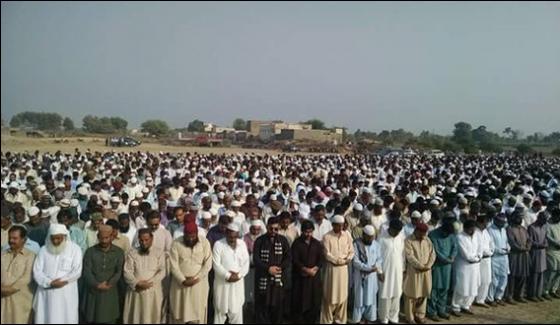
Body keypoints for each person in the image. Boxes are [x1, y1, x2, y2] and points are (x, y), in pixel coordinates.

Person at [33, 223, 83, 324]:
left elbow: (77, 271)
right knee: (46, 318)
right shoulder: (43, 250)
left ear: (65, 236)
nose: (55, 241)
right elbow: (37, 271)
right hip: (46, 293)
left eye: (58, 238)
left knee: (66, 318)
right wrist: (49, 282)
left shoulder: (75, 249)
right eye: (53, 238)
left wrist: (62, 281)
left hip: (66, 292)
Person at [169, 221, 213, 324]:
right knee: (179, 313)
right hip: (180, 286)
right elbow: (173, 265)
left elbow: (207, 264)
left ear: (197, 234)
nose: (190, 239)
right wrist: (183, 280)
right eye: (188, 236)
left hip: (199, 285)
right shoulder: (176, 243)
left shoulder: (204, 242)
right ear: (184, 234)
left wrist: (196, 278)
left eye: (193, 236)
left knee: (197, 313)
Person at [81, 224, 125, 324]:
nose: (104, 241)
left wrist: (109, 283)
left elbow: (119, 271)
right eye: (102, 238)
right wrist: (97, 284)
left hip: (110, 291)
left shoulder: (118, 252)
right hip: (93, 291)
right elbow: (86, 271)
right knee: (92, 317)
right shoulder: (90, 252)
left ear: (112, 237)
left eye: (107, 238)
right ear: (98, 237)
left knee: (109, 318)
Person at [123, 228, 166, 324]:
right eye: (141, 240)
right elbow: (127, 271)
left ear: (152, 239)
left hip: (153, 292)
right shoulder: (132, 253)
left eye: (146, 240)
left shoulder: (159, 253)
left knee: (152, 318)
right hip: (136, 292)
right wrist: (137, 283)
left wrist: (149, 284)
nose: (144, 243)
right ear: (138, 239)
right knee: (136, 317)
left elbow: (162, 271)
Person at [253, 216, 291, 324]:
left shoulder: (283, 240)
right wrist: (268, 269)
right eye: (271, 229)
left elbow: (288, 257)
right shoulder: (259, 241)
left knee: (277, 307)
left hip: (278, 278)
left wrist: (280, 268)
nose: (273, 231)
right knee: (262, 306)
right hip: (263, 277)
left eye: (276, 229)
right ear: (267, 227)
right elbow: (256, 259)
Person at [212, 222, 250, 324]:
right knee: (220, 311)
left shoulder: (242, 244)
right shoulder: (218, 244)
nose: (232, 239)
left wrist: (238, 275)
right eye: (230, 237)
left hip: (237, 283)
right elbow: (216, 265)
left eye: (234, 237)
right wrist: (228, 275)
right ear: (226, 234)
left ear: (238, 235)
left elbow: (246, 263)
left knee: (236, 310)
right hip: (222, 283)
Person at [320, 215, 354, 324]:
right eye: (338, 225)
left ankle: (340, 320)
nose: (340, 227)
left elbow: (351, 251)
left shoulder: (347, 235)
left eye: (342, 225)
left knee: (343, 296)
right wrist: (339, 261)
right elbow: (327, 254)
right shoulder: (327, 237)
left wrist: (347, 259)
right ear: (333, 225)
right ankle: (327, 320)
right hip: (332, 270)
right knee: (330, 295)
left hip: (343, 270)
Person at [1, 225, 35, 324]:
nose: (11, 240)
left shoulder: (31, 256)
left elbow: (26, 278)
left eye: (15, 238)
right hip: (3, 300)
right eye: (9, 238)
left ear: (24, 239)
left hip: (21, 302)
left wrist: (7, 289)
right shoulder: (3, 255)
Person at [291, 219, 324, 323]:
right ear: (302, 231)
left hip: (314, 277)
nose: (308, 234)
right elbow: (295, 259)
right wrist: (305, 269)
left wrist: (315, 268)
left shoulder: (316, 243)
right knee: (300, 300)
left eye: (310, 231)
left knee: (313, 301)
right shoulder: (297, 243)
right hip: (300, 277)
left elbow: (321, 258)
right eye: (306, 232)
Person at [403, 223, 435, 324]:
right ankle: (410, 317)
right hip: (414, 272)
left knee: (423, 293)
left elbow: (433, 254)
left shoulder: (427, 240)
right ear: (416, 231)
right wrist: (421, 266)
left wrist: (428, 266)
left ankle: (420, 315)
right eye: (421, 233)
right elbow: (410, 256)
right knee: (411, 294)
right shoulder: (408, 240)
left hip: (426, 271)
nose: (423, 235)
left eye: (424, 233)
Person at [427, 216, 457, 321]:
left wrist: (452, 257)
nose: (447, 235)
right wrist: (446, 259)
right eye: (445, 234)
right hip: (437, 265)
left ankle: (441, 310)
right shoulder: (433, 235)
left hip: (447, 267)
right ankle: (431, 311)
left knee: (445, 288)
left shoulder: (452, 235)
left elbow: (455, 247)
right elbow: (435, 251)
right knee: (434, 289)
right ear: (442, 229)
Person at [351, 225, 383, 324]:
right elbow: (355, 262)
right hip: (360, 276)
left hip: (372, 276)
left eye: (372, 237)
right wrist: (368, 268)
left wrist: (376, 267)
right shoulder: (356, 244)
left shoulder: (376, 244)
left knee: (371, 297)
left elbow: (380, 259)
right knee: (359, 299)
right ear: (363, 235)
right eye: (368, 237)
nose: (370, 239)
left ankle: (369, 319)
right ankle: (357, 320)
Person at [378, 218, 406, 324]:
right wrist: (380, 271)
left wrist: (403, 270)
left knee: (397, 293)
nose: (397, 233)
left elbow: (402, 256)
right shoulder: (381, 238)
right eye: (395, 231)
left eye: (399, 231)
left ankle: (394, 317)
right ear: (390, 228)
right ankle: (383, 318)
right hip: (385, 271)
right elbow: (377, 256)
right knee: (385, 295)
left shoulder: (400, 237)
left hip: (398, 271)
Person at [451, 219, 481, 316]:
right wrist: (476, 258)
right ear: (465, 228)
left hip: (475, 266)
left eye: (473, 229)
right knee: (462, 286)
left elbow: (480, 248)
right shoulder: (460, 237)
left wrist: (479, 256)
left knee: (473, 286)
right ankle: (455, 307)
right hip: (464, 266)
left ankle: (466, 305)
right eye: (470, 229)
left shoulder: (476, 236)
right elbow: (466, 255)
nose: (472, 231)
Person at [506, 211, 531, 304]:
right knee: (513, 276)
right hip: (514, 255)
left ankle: (519, 295)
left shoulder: (523, 229)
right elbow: (512, 242)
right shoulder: (509, 229)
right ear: (513, 218)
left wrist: (528, 246)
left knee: (523, 275)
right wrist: (523, 248)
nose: (520, 219)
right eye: (518, 217)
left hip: (524, 255)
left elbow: (529, 239)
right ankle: (510, 296)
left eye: (521, 217)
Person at [487, 213, 511, 306]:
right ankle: (490, 298)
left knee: (504, 278)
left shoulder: (504, 230)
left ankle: (498, 297)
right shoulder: (490, 230)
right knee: (494, 279)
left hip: (505, 257)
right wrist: (501, 251)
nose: (503, 224)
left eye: (504, 222)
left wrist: (508, 247)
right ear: (496, 220)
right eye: (501, 222)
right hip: (495, 257)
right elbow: (491, 246)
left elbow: (506, 242)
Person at [527, 211, 549, 301]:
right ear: (539, 218)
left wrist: (545, 243)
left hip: (543, 252)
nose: (545, 221)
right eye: (544, 219)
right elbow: (530, 241)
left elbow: (546, 238)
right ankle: (532, 295)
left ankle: (538, 294)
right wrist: (539, 245)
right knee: (535, 274)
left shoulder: (544, 227)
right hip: (535, 252)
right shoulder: (531, 227)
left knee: (541, 274)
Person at [474, 214, 495, 308]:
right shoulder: (475, 232)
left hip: (488, 258)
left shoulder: (486, 232)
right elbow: (477, 246)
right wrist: (484, 252)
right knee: (478, 280)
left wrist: (491, 251)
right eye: (484, 222)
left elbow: (491, 243)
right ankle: (475, 299)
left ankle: (481, 299)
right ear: (479, 222)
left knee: (487, 280)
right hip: (479, 259)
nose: (486, 224)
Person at [544, 208, 560, 299]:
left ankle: (553, 290)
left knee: (559, 271)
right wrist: (557, 244)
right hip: (551, 250)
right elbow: (548, 236)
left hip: (559, 251)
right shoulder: (547, 225)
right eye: (557, 216)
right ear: (553, 215)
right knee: (552, 270)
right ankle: (545, 290)